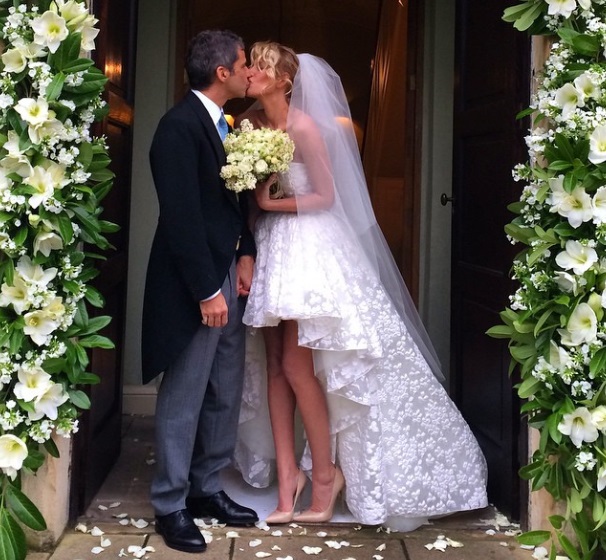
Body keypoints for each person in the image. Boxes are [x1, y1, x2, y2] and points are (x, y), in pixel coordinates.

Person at [233, 42, 489, 529]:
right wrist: (251, 235)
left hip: (309, 247)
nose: (251, 72)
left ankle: (325, 478)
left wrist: (271, 205)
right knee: (274, 367)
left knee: (297, 365)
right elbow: (247, 197)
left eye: (261, 66)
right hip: (269, 247)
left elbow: (326, 196)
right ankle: (288, 480)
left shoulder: (304, 127)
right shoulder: (249, 124)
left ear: (284, 81)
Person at [141, 30, 258, 553]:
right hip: (196, 284)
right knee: (185, 394)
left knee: (224, 389)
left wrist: (245, 253)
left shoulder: (224, 124)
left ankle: (206, 488)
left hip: (228, 272)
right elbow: (182, 218)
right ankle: (170, 503)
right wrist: (207, 291)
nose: (249, 71)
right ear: (222, 73)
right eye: (244, 63)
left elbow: (233, 202)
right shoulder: (178, 127)